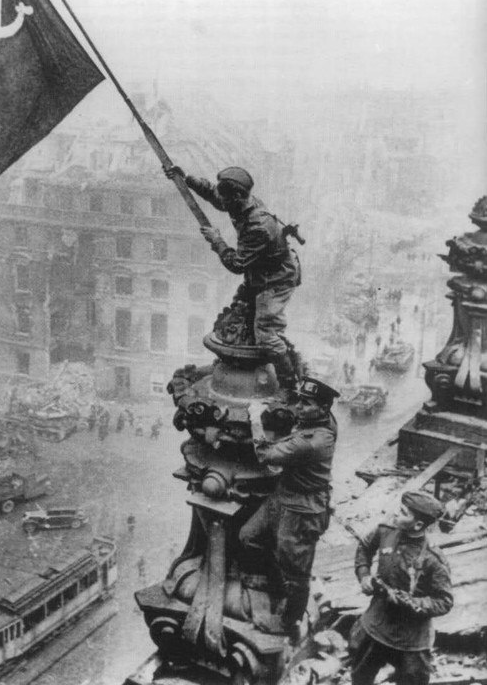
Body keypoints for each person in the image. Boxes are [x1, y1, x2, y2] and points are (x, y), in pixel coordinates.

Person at [165, 164, 301, 386]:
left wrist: (216, 240)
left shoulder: (259, 225)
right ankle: (243, 352)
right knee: (239, 311)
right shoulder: (240, 202)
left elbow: (236, 264)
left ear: (238, 196)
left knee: (266, 333)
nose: (223, 203)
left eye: (227, 199)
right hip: (259, 272)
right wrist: (186, 178)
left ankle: (289, 382)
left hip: (275, 280)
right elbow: (215, 196)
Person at [239, 376, 339, 640]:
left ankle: (288, 621)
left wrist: (255, 418)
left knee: (297, 572)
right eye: (300, 402)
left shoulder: (312, 441)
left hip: (303, 510)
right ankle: (277, 583)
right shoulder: (324, 421)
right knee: (249, 537)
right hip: (284, 496)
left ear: (323, 408)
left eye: (307, 404)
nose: (300, 408)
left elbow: (265, 455)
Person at [351, 490, 453, 685]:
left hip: (412, 638)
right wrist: (363, 575)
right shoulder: (386, 531)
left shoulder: (434, 559)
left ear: (418, 525)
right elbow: (364, 547)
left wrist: (412, 602)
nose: (396, 514)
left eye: (403, 512)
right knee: (360, 676)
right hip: (377, 625)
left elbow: (444, 601)